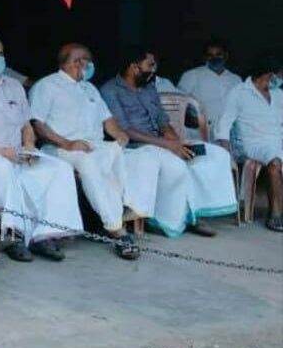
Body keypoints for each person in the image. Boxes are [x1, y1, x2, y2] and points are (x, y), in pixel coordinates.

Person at [0, 35, 82, 262]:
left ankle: (45, 235)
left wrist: (29, 145)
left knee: (59, 169)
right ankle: (14, 235)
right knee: (3, 167)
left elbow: (26, 125)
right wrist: (1, 151)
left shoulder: (14, 86)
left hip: (17, 150)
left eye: (0, 54)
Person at [99, 46, 237, 238]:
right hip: (135, 148)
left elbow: (162, 120)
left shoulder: (149, 87)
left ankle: (196, 212)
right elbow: (125, 130)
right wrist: (167, 145)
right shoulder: (110, 90)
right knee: (177, 166)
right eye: (150, 65)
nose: (154, 70)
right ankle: (176, 219)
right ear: (134, 67)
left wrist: (174, 139)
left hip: (161, 142)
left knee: (215, 155)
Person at [29, 43, 141, 260]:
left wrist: (119, 135)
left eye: (88, 60)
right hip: (61, 148)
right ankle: (117, 231)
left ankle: (121, 208)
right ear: (69, 63)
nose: (87, 65)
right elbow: (37, 124)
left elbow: (107, 119)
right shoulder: (47, 86)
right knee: (88, 164)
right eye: (82, 60)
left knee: (125, 155)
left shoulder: (90, 88)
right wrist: (67, 143)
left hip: (93, 145)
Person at [215, 54, 283, 232]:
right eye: (277, 75)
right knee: (275, 162)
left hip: (277, 140)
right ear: (268, 74)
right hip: (254, 143)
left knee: (276, 153)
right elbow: (224, 123)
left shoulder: (278, 94)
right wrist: (225, 152)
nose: (279, 79)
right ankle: (276, 215)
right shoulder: (239, 93)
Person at [179, 40, 242, 135]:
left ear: (226, 55)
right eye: (210, 55)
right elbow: (178, 101)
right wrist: (193, 118)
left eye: (218, 54)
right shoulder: (192, 75)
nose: (214, 58)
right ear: (205, 57)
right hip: (199, 132)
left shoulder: (236, 79)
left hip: (230, 132)